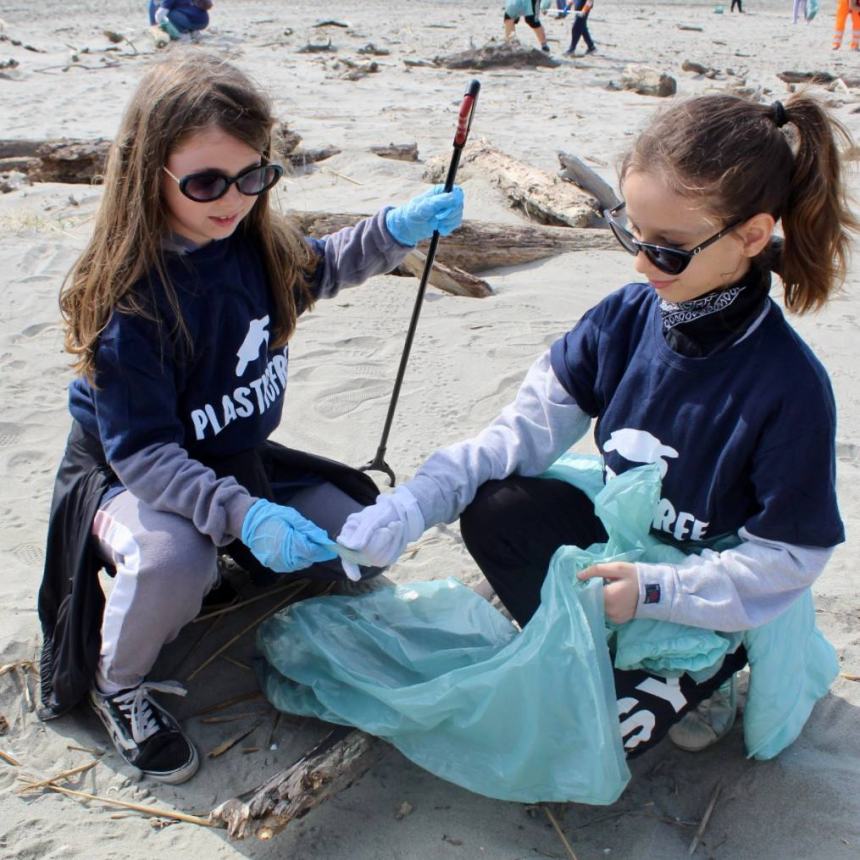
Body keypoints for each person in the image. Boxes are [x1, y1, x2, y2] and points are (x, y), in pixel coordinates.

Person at [337, 93, 857, 759]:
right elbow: (516, 436)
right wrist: (414, 504)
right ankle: (605, 657)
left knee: (602, 743)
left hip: (710, 590)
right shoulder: (624, 320)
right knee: (499, 509)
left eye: (668, 250)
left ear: (753, 236)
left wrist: (659, 591)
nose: (641, 266)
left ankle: (710, 669)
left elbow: (791, 559)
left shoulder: (788, 386)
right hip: (628, 551)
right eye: (632, 235)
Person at [36, 53, 464, 784]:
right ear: (150, 173)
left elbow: (323, 265)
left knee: (364, 544)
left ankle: (234, 554)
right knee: (178, 561)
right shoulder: (131, 304)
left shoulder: (251, 242)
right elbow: (143, 454)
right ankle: (120, 685)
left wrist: (396, 228)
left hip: (236, 462)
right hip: (127, 482)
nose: (231, 199)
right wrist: (242, 516)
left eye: (252, 175)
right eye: (205, 182)